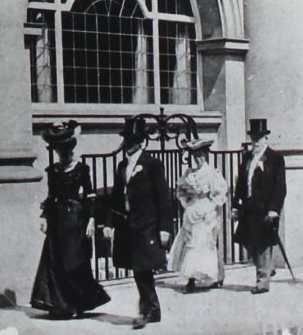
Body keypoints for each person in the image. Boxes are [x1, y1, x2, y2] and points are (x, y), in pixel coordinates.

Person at [30, 120, 110, 318]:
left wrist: (91, 219)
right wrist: (45, 218)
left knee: (73, 259)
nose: (64, 155)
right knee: (55, 259)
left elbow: (91, 195)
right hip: (58, 217)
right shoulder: (53, 171)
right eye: (60, 152)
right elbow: (51, 197)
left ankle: (78, 302)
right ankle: (61, 305)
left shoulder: (82, 169)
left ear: (71, 150)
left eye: (66, 151)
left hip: (76, 218)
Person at [103, 117, 173, 330]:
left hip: (147, 224)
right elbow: (115, 197)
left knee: (143, 268)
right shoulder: (122, 165)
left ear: (141, 142)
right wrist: (109, 223)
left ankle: (148, 310)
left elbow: (163, 198)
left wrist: (164, 228)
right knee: (138, 269)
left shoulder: (153, 164)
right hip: (128, 224)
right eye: (126, 140)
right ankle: (152, 309)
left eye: (132, 141)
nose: (128, 145)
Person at [232, 119, 287, 294]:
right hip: (248, 208)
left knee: (262, 243)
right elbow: (241, 183)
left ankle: (262, 281)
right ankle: (267, 268)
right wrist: (235, 206)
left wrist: (274, 210)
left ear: (266, 139)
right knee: (247, 241)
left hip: (265, 209)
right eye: (253, 138)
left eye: (259, 138)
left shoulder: (275, 158)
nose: (255, 142)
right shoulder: (247, 158)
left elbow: (280, 187)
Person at [168, 138, 228, 293]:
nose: (198, 159)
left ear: (206, 155)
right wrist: (186, 203)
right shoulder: (188, 174)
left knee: (206, 243)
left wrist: (212, 206)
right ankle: (191, 279)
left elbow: (221, 192)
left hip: (207, 211)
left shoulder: (212, 173)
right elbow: (180, 191)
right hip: (192, 210)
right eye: (195, 156)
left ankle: (214, 276)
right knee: (191, 243)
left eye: (201, 155)